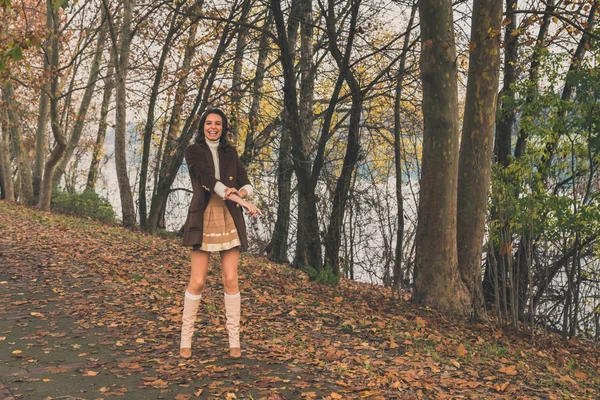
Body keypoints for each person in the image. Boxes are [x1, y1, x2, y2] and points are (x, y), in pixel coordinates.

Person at [180, 108, 261, 359]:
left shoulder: (230, 152)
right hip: (204, 217)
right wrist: (242, 201)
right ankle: (186, 341)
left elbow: (247, 182)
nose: (213, 127)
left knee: (230, 279)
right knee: (198, 281)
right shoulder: (193, 151)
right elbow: (206, 178)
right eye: (208, 123)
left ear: (224, 127)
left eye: (218, 123)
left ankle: (234, 342)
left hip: (228, 218)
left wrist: (243, 194)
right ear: (202, 126)